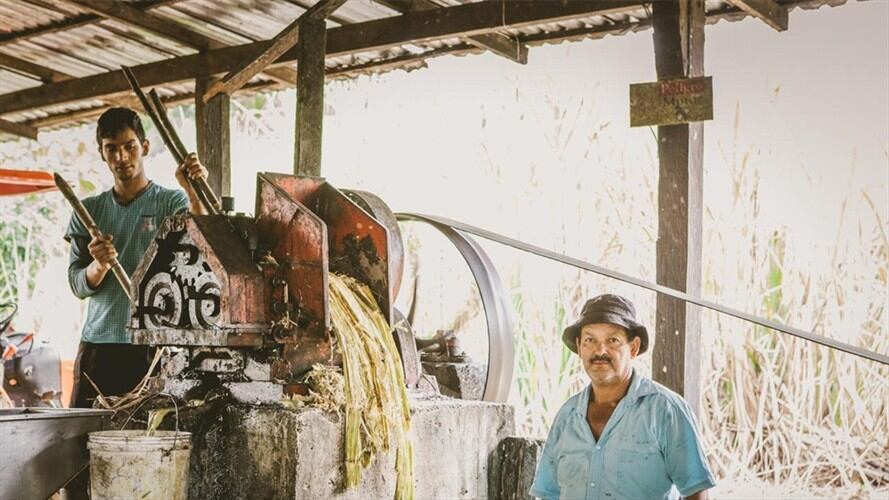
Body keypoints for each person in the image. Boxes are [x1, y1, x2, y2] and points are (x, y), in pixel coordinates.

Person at [64, 107, 209, 409]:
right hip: (99, 346)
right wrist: (99, 265)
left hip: (151, 345)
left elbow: (202, 245)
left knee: (148, 439)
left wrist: (194, 192)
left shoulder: (172, 201)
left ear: (144, 147)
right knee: (82, 441)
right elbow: (77, 285)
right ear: (102, 154)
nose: (121, 157)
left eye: (129, 146)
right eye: (111, 149)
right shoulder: (87, 211)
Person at [530, 294, 715, 500]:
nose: (600, 350)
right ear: (580, 347)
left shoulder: (665, 410)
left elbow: (696, 493)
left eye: (613, 340)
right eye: (590, 340)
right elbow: (549, 495)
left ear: (633, 347)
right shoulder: (567, 417)